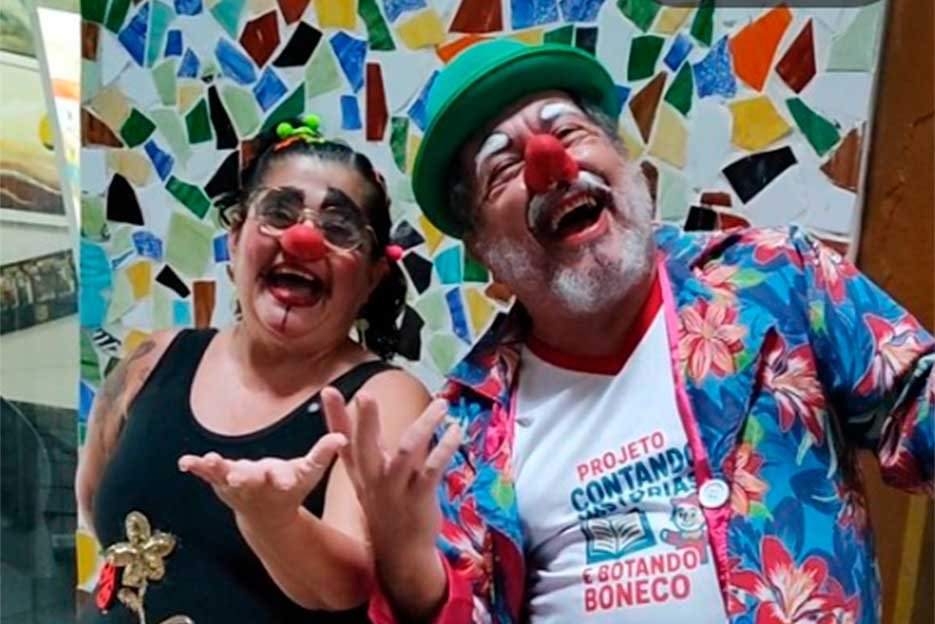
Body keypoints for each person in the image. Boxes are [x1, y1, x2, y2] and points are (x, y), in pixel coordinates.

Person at [327, 41, 935, 623]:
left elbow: (918, 402)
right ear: (485, 251)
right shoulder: (466, 426)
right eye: (504, 166)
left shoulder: (776, 278)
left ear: (630, 168)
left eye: (570, 132)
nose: (550, 164)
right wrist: (407, 568)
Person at [75, 116, 431, 623]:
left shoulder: (387, 397)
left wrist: (273, 519)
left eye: (339, 228)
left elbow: (347, 584)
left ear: (372, 277)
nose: (303, 239)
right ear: (236, 238)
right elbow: (93, 495)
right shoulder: (153, 358)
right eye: (279, 212)